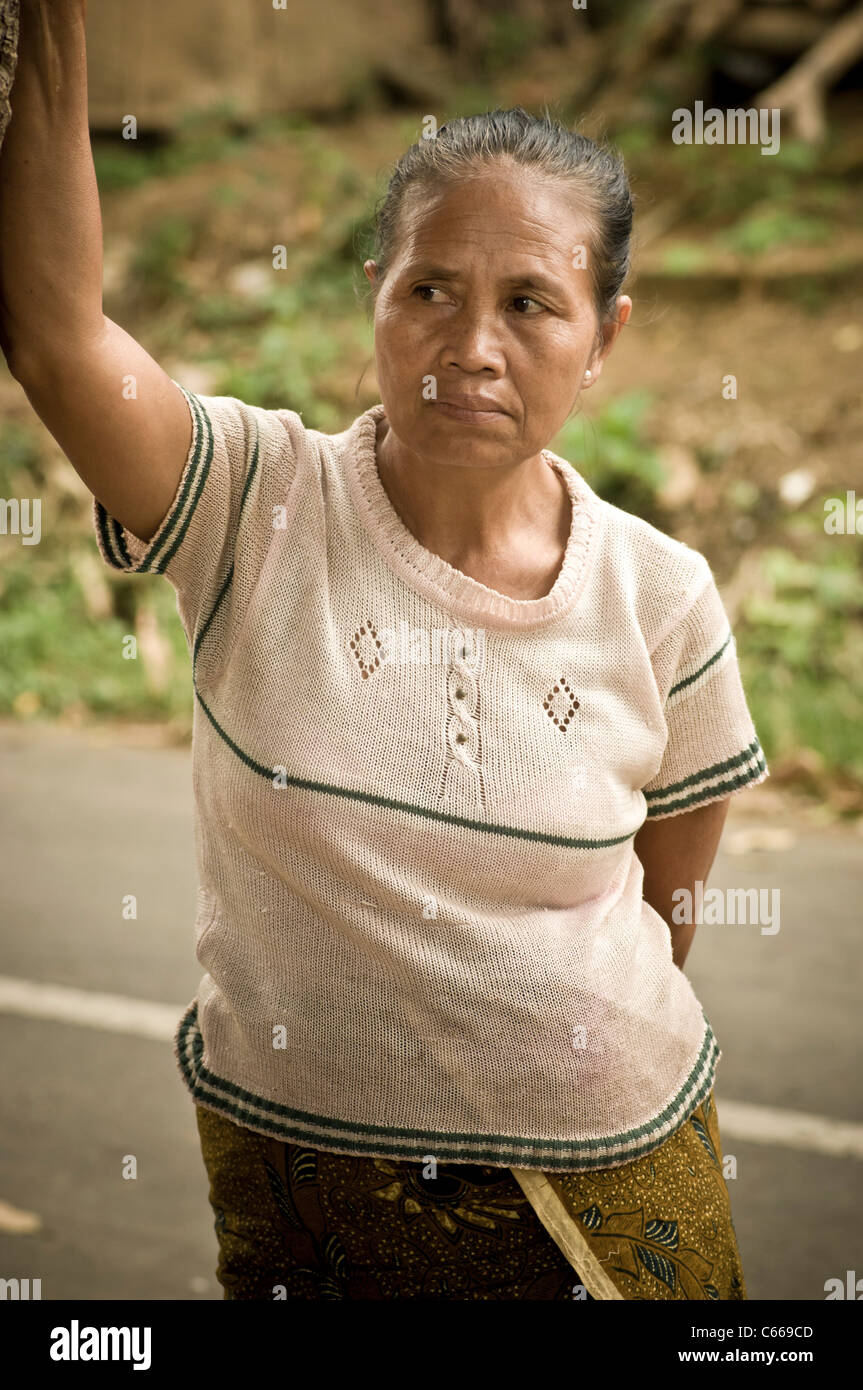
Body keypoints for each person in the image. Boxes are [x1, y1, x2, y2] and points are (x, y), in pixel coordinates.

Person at [0, 1, 767, 1301]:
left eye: (531, 303)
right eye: (430, 290)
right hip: (311, 1201)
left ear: (607, 335)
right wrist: (54, 25)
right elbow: (62, 339)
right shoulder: (253, 499)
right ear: (375, 299)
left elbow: (665, 908)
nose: (472, 348)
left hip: (615, 1201)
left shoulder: (665, 599)